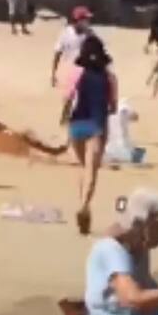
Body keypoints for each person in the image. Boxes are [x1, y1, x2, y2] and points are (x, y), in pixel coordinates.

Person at [60, 35, 117, 235]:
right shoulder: (110, 77)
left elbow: (67, 99)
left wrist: (64, 118)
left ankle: (82, 203)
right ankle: (84, 205)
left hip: (77, 123)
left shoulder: (77, 72)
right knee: (92, 169)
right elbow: (113, 106)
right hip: (97, 124)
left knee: (82, 167)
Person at [0, 84, 65, 156]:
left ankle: (48, 150)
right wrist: (11, 131)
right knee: (25, 135)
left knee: (21, 134)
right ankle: (50, 151)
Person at [51, 6, 95, 90]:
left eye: (88, 19)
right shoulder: (66, 33)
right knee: (69, 98)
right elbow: (57, 53)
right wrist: (54, 73)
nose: (88, 22)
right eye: (85, 19)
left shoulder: (90, 35)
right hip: (69, 73)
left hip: (85, 73)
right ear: (77, 20)